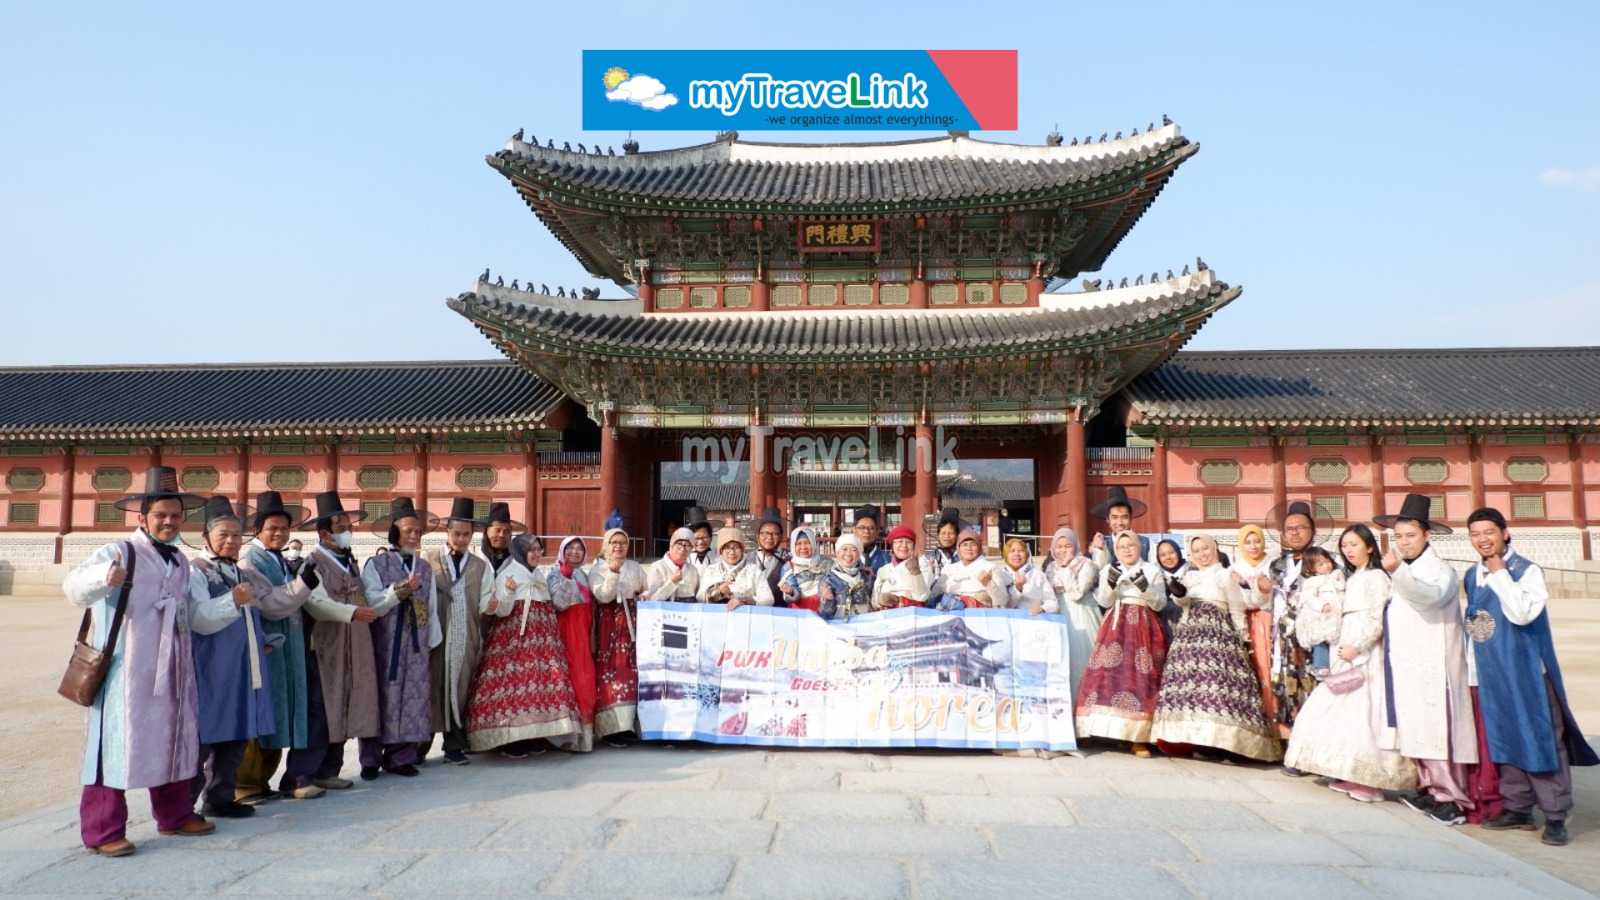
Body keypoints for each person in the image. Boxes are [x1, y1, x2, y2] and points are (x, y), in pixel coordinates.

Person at [63, 466, 213, 856]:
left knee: (173, 737)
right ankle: (103, 829)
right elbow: (73, 588)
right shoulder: (119, 551)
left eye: (176, 515)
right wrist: (103, 577)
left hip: (172, 667)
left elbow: (189, 612)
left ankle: (175, 814)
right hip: (124, 670)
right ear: (143, 517)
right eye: (161, 515)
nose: (169, 522)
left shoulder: (181, 561)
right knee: (113, 744)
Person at [1466, 507, 1598, 846]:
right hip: (1492, 673)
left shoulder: (1526, 571)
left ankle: (1555, 815)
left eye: (1489, 532)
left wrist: (1500, 574)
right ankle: (1518, 808)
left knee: (1540, 740)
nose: (1482, 539)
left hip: (1527, 674)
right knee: (1505, 738)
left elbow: (1522, 614)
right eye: (1475, 534)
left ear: (1505, 533)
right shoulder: (1471, 574)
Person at [1282, 525, 1416, 802]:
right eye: (1345, 546)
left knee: (1366, 710)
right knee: (1340, 706)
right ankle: (1349, 771)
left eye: (1354, 544)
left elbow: (1378, 616)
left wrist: (1359, 645)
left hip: (1367, 651)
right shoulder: (1350, 577)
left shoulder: (1377, 576)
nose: (1348, 550)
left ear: (1369, 546)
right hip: (1345, 645)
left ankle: (1371, 780)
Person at [1376, 493, 1478, 826]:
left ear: (1427, 535)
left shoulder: (1440, 571)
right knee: (1416, 724)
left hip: (1436, 664)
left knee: (1438, 728)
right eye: (1399, 536)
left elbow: (1427, 598)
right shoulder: (1406, 568)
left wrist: (1397, 573)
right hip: (1409, 661)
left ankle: (1452, 797)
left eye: (1410, 535)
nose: (1403, 542)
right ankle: (1430, 787)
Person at [1149, 535, 1280, 762]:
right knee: (1193, 688)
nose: (1202, 554)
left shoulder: (1226, 575)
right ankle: (1202, 741)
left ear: (1214, 548)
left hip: (1219, 634)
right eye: (1196, 550)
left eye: (1205, 548)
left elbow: (1236, 608)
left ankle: (1231, 745)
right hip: (1190, 635)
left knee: (1220, 687)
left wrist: (1243, 638)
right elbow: (1184, 603)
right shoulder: (1189, 576)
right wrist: (1179, 594)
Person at [185, 497, 274, 819]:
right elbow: (198, 618)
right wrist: (233, 600)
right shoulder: (196, 571)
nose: (231, 541)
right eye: (223, 534)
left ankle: (221, 796)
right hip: (211, 666)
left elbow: (248, 614)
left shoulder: (238, 570)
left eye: (236, 535)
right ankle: (183, 805)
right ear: (205, 537)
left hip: (242, 663)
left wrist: (261, 641)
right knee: (205, 736)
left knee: (237, 731)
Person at [290, 491, 379, 792]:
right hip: (323, 648)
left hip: (350, 645)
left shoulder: (349, 561)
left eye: (348, 527)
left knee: (342, 705)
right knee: (320, 710)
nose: (346, 532)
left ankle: (329, 770)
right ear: (324, 534)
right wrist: (352, 612)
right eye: (340, 528)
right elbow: (315, 603)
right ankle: (300, 776)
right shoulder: (312, 563)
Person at [466, 531, 581, 755]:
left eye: (539, 550)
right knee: (511, 686)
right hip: (513, 641)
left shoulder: (539, 575)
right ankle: (510, 740)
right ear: (520, 552)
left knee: (539, 687)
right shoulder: (508, 574)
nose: (536, 554)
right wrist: (508, 592)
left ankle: (533, 735)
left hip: (541, 642)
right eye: (532, 550)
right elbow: (501, 611)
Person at [236, 491, 317, 803]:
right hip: (266, 646)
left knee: (280, 712)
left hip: (288, 647)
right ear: (258, 530)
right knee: (262, 710)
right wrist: (303, 585)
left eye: (284, 528)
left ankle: (261, 781)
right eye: (273, 528)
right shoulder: (249, 562)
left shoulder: (278, 559)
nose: (280, 533)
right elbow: (270, 605)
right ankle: (243, 784)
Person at [358, 497, 437, 779]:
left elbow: (432, 607)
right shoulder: (376, 564)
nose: (414, 535)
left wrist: (430, 642)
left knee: (413, 698)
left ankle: (401, 757)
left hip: (416, 645)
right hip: (385, 642)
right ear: (394, 532)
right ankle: (370, 759)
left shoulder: (424, 567)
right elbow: (373, 603)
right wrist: (401, 589)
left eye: (417, 531)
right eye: (407, 530)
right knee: (379, 697)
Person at [1076, 531, 1168, 757]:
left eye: (1131, 545)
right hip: (1115, 626)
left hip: (1143, 626)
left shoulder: (1152, 570)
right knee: (1107, 677)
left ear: (1139, 547)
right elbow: (1104, 600)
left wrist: (1145, 588)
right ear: (1115, 550)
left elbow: (1160, 604)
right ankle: (1099, 729)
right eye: (1122, 546)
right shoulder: (1109, 569)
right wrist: (1110, 583)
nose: (1127, 550)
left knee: (1140, 678)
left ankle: (1138, 737)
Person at [421, 498, 489, 766]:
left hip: (466, 635)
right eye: (457, 533)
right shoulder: (428, 559)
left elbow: (485, 599)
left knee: (460, 689)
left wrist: (494, 603)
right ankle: (419, 747)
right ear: (447, 531)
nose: (461, 539)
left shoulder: (480, 566)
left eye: (466, 535)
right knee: (431, 687)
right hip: (435, 636)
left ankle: (454, 746)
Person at [1254, 500, 1326, 752]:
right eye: (1289, 529)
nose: (1295, 533)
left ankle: (1314, 746)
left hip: (1313, 639)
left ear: (1313, 531)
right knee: (1285, 688)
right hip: (1282, 639)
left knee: (1313, 688)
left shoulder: (1323, 561)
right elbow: (1263, 601)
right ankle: (1291, 745)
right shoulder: (1275, 565)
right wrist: (1262, 590)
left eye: (1301, 528)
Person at [588, 527, 648, 744]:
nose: (618, 546)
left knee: (631, 671)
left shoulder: (634, 567)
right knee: (611, 672)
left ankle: (627, 725)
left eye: (623, 542)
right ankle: (611, 728)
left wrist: (644, 595)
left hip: (632, 623)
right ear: (607, 544)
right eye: (614, 542)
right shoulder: (598, 569)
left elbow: (646, 588)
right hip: (609, 625)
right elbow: (603, 596)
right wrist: (613, 573)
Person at [548, 535, 599, 752]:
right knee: (571, 679)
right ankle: (567, 737)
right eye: (570, 548)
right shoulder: (553, 574)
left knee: (585, 680)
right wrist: (566, 579)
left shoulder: (585, 575)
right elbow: (559, 604)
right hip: (566, 634)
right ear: (562, 550)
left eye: (579, 548)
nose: (575, 552)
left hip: (583, 634)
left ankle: (584, 738)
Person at [1039, 528, 1101, 699]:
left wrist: (1066, 568)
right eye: (1059, 546)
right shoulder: (1050, 567)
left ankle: (1086, 703)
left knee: (1082, 659)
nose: (1063, 550)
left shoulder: (1086, 564)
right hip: (1058, 612)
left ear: (1075, 545)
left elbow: (1077, 594)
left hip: (1081, 613)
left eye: (1068, 546)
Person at [1229, 523, 1276, 727]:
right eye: (1247, 542)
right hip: (1248, 624)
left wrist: (1249, 590)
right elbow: (1239, 602)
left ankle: (1278, 721)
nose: (1253, 546)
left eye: (1257, 541)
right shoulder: (1235, 569)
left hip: (1272, 619)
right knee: (1255, 669)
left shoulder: (1273, 564)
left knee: (1274, 668)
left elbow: (1274, 596)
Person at [1293, 547, 1344, 679]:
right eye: (1320, 564)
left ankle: (1339, 665)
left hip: (1337, 612)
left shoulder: (1337, 576)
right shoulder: (1313, 581)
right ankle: (1321, 665)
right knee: (1320, 639)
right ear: (1311, 568)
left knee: (1338, 639)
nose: (1326, 566)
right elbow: (1309, 597)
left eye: (1327, 561)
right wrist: (1321, 606)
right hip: (1321, 615)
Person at [929, 528, 1008, 610]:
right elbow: (933, 594)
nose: (969, 548)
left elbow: (1003, 600)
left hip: (980, 614)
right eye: (965, 544)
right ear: (958, 547)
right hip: (950, 615)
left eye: (973, 544)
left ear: (979, 547)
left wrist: (989, 583)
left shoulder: (991, 567)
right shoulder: (948, 569)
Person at [698, 527, 776, 609]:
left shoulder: (754, 570)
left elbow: (768, 599)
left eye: (736, 547)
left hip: (746, 615)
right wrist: (718, 593)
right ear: (721, 550)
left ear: (742, 550)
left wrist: (742, 601)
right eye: (727, 547)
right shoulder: (711, 570)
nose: (732, 552)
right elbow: (700, 598)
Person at [870, 525, 929, 611]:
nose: (904, 545)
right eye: (899, 541)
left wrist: (915, 572)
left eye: (908, 542)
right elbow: (873, 600)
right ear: (892, 545)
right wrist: (879, 599)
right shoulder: (883, 570)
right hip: (887, 615)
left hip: (912, 615)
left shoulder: (922, 565)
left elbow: (922, 596)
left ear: (913, 545)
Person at [1088, 487, 1151, 567]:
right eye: (1114, 517)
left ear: (1131, 518)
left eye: (1124, 517)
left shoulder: (1146, 544)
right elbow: (1098, 571)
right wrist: (1101, 550)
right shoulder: (1102, 545)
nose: (1120, 523)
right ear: (1108, 519)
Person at [777, 527, 831, 612]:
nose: (803, 547)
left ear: (813, 543)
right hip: (799, 612)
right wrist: (791, 592)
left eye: (807, 542)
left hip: (824, 609)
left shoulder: (827, 562)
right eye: (798, 543)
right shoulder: (789, 566)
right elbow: (793, 596)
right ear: (793, 546)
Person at [821, 534, 870, 620]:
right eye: (844, 549)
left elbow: (874, 604)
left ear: (859, 554)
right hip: (840, 626)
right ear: (837, 553)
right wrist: (828, 600)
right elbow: (825, 616)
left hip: (863, 623)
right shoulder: (828, 580)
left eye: (853, 550)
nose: (848, 553)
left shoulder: (866, 577)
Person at [646, 528, 701, 603]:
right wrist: (672, 582)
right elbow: (652, 599)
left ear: (692, 549)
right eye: (679, 544)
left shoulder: (693, 570)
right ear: (671, 544)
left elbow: (698, 597)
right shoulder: (657, 567)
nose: (683, 549)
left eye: (688, 545)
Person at [998, 537, 1049, 613]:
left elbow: (1052, 602)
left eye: (1020, 550)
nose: (1016, 554)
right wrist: (1018, 589)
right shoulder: (999, 576)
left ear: (1027, 554)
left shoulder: (1038, 575)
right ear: (1005, 555)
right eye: (1012, 551)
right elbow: (1000, 605)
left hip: (1033, 618)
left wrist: (1043, 608)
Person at [749, 507, 790, 601]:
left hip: (781, 609)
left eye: (775, 533)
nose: (769, 537)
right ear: (758, 536)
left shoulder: (790, 558)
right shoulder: (747, 559)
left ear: (781, 536)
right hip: (752, 608)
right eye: (765, 533)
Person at [1153, 538, 1188, 641]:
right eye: (1162, 555)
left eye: (1171, 552)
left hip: (1188, 626)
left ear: (1178, 552)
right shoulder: (1155, 577)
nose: (1168, 557)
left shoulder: (1191, 573)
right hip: (1164, 627)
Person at [921, 507, 964, 583]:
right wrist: (928, 572)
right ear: (938, 535)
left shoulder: (964, 556)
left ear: (957, 535)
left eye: (951, 533)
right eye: (943, 533)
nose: (947, 536)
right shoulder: (928, 557)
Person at [851, 505, 893, 576]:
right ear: (853, 530)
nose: (866, 531)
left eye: (871, 528)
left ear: (877, 532)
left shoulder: (889, 561)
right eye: (862, 528)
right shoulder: (846, 560)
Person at [683, 506, 724, 574]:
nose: (701, 542)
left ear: (710, 537)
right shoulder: (684, 556)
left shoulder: (719, 554)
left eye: (704, 537)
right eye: (696, 538)